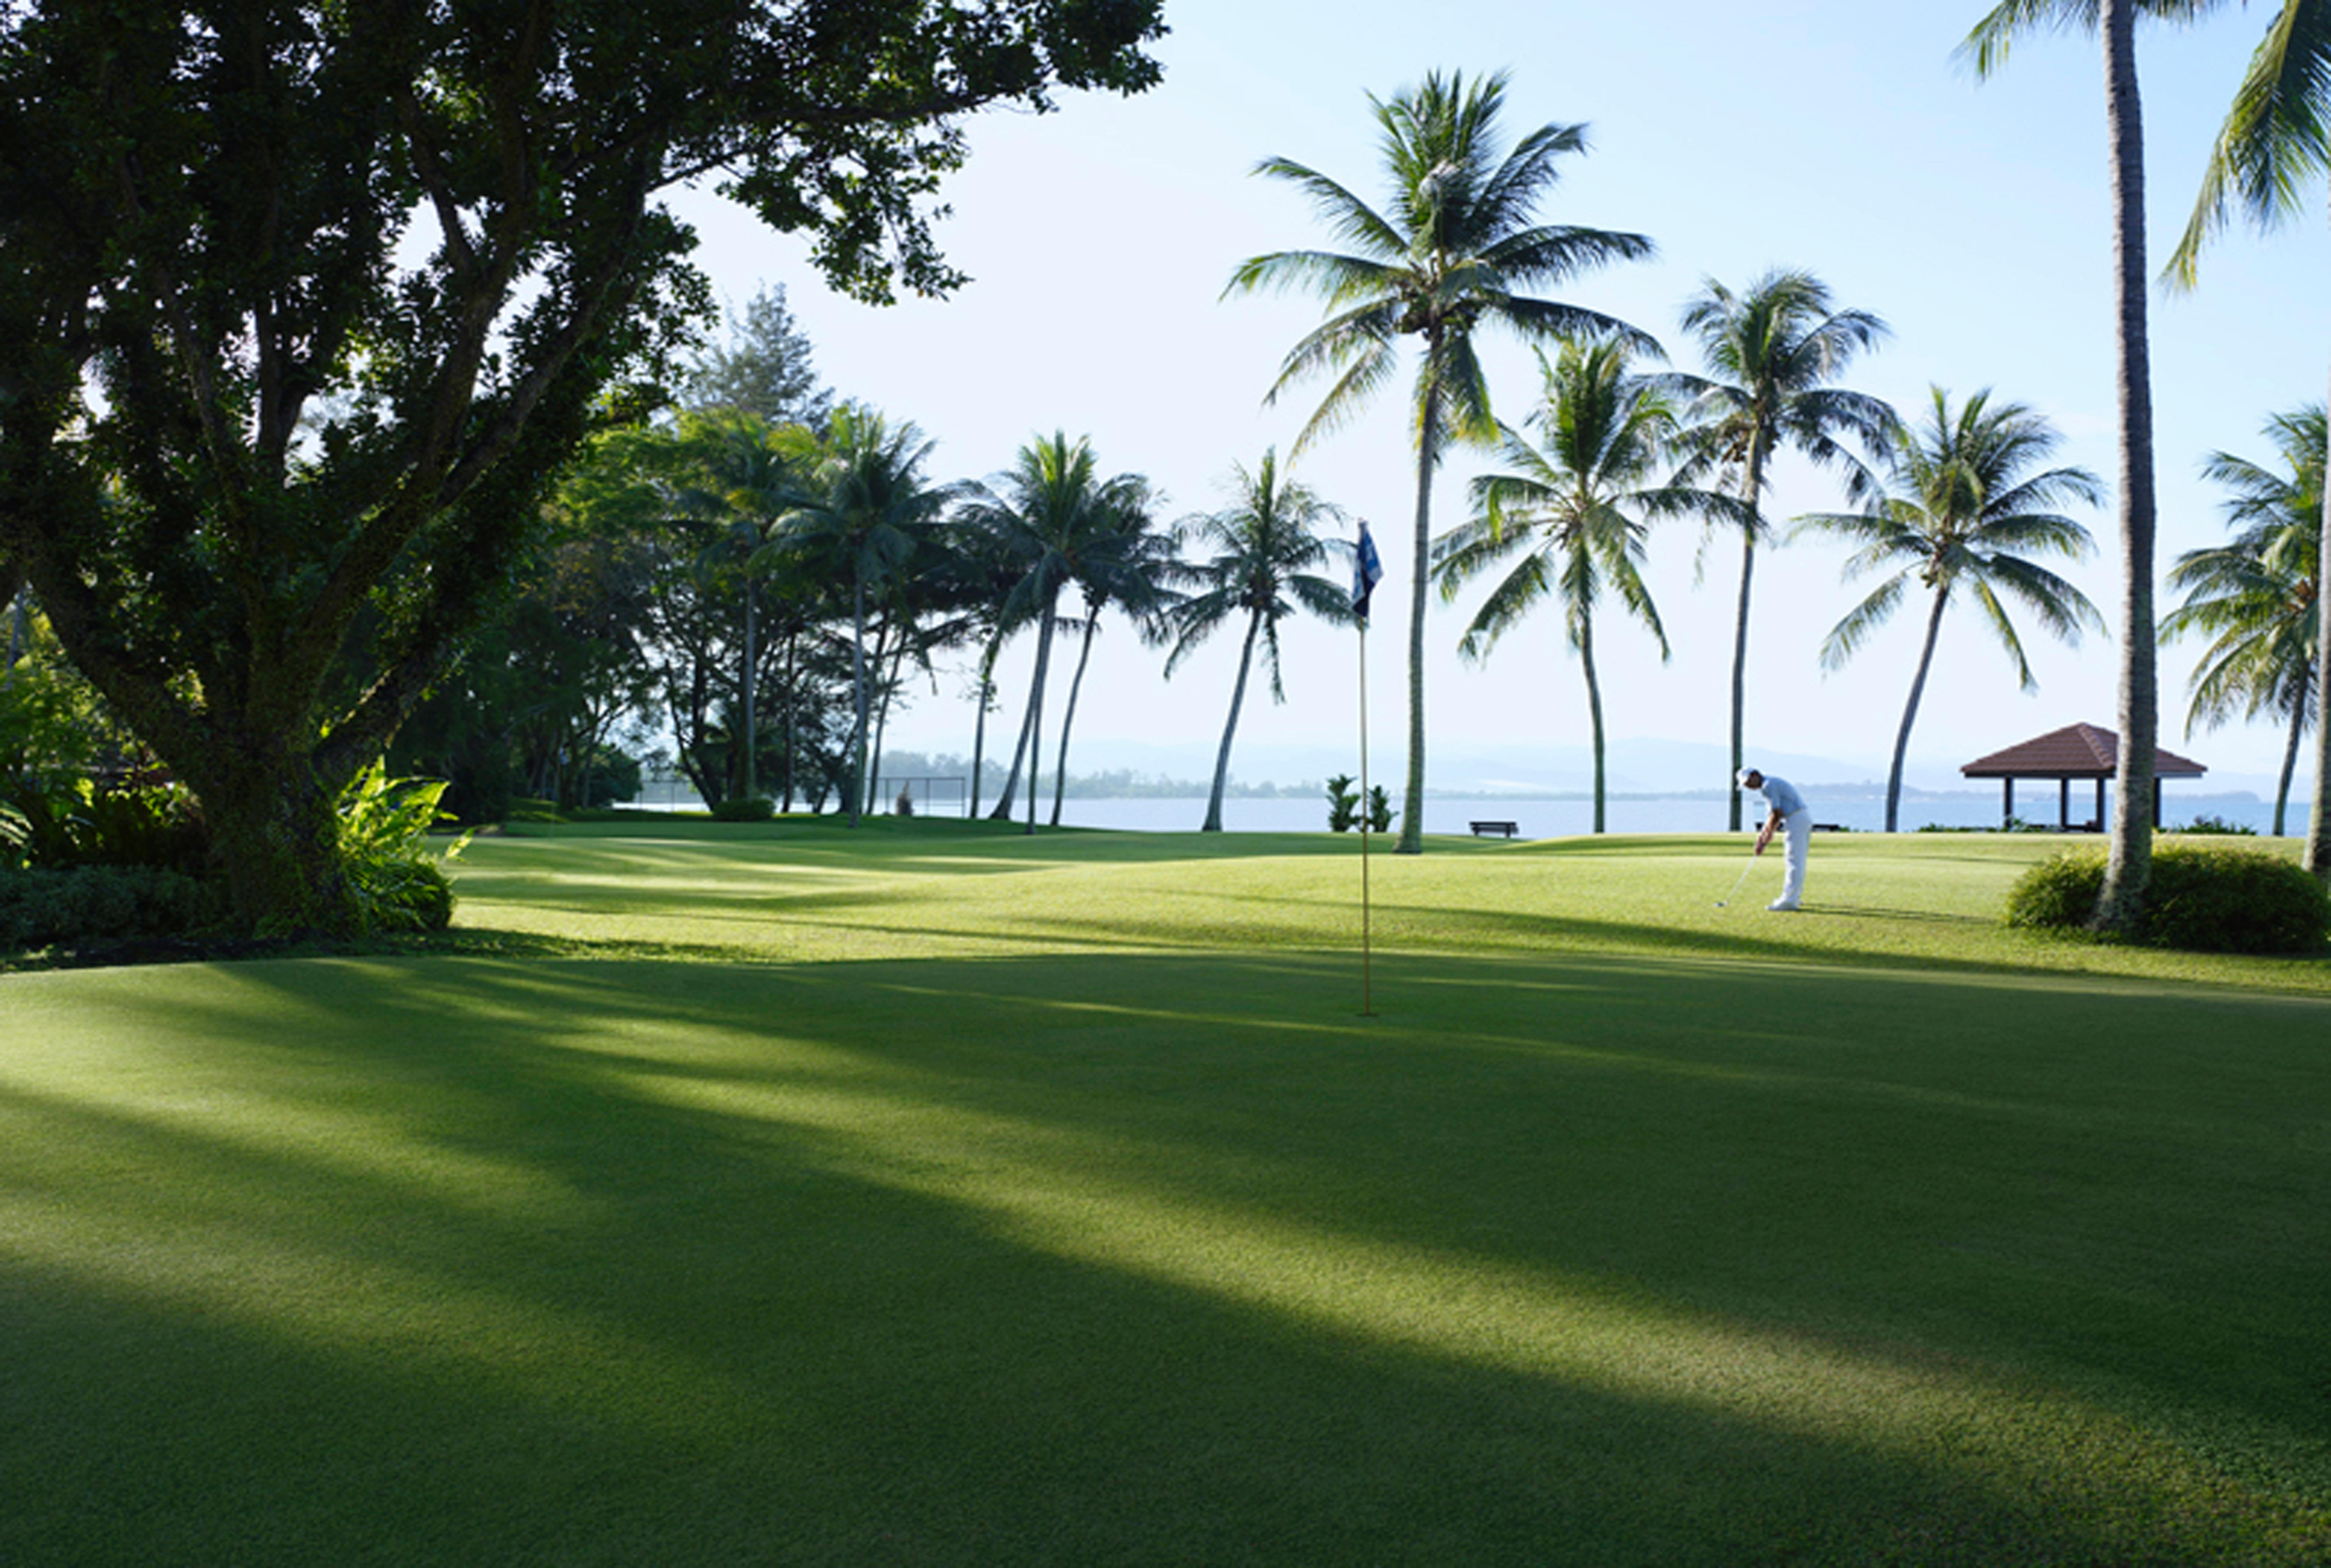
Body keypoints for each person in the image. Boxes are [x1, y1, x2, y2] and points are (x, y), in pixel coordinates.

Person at [1739, 767, 1810, 911]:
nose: (1748, 787)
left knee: (1794, 860)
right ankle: (1794, 896)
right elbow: (1771, 816)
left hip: (1796, 819)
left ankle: (1789, 901)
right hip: (1800, 818)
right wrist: (1762, 839)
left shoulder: (1768, 786)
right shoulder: (1769, 785)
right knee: (1797, 860)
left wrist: (1767, 838)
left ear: (1756, 775)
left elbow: (1777, 814)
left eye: (1748, 782)